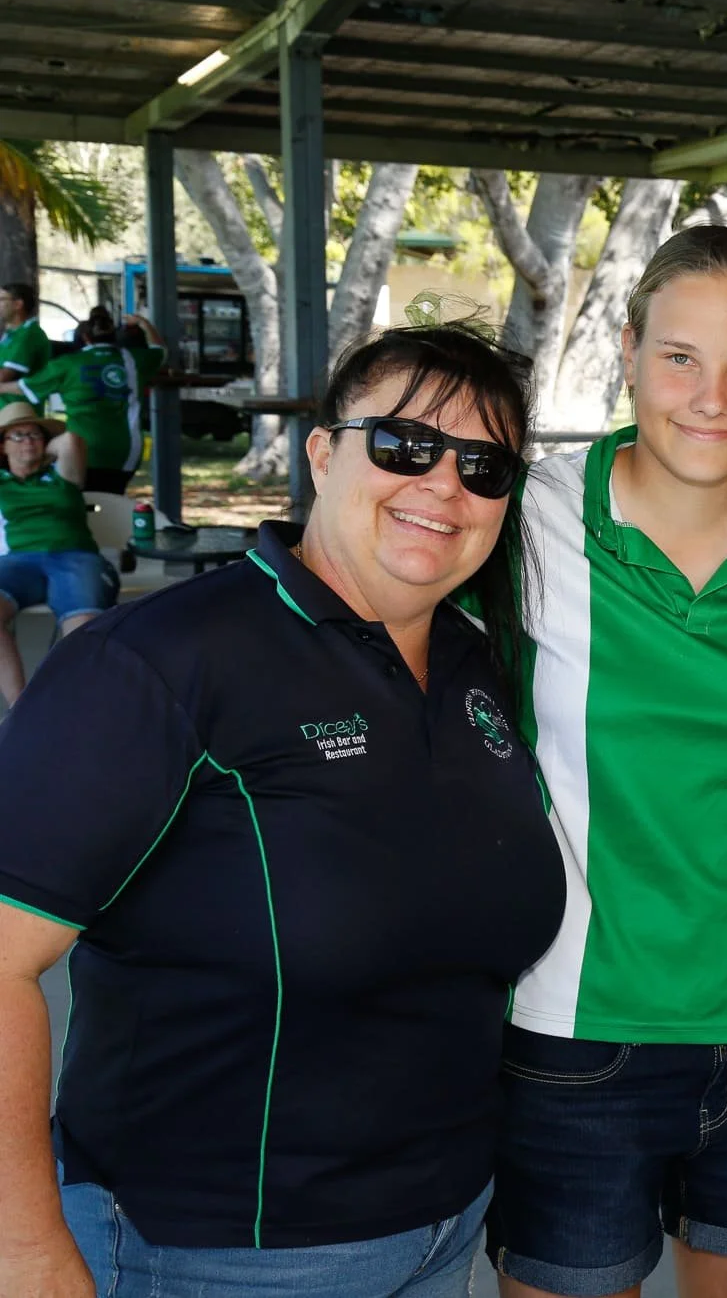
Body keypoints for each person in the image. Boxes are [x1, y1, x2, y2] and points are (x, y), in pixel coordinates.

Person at [0, 322, 566, 1297]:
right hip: (213, 1248)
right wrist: (26, 1251)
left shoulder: (483, 669)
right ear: (321, 451)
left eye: (484, 466)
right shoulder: (162, 660)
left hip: (442, 1226)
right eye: (403, 445)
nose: (443, 486)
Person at [490, 226, 727, 1298]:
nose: (711, 395)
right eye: (679, 358)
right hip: (575, 1036)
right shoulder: (530, 519)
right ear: (626, 349)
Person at [0, 401, 112, 706]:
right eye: (18, 436)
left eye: (35, 435)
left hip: (74, 557)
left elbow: (71, 440)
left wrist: (38, 449)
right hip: (19, 562)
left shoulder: (64, 475)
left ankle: (75, 710)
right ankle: (21, 709)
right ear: (3, 446)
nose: (28, 441)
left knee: (84, 628)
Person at [21, 308, 166, 494]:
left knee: (78, 502)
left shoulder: (68, 363)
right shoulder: (133, 360)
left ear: (85, 337)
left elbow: (24, 387)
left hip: (80, 450)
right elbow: (160, 350)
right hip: (125, 452)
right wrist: (143, 323)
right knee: (112, 500)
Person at [0, 283, 53, 406]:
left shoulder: (28, 335)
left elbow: (3, 377)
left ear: (18, 304)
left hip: (18, 416)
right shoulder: (12, 333)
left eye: (1, 299)